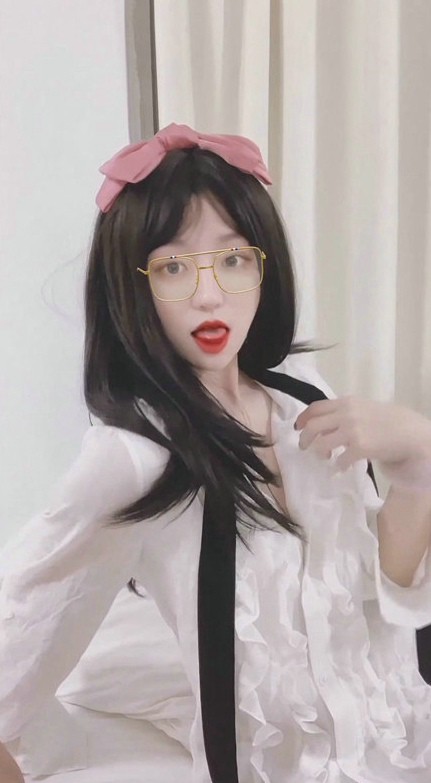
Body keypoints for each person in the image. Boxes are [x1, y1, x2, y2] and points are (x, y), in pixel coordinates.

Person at [1, 122, 431, 783]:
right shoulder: (134, 457)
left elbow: (379, 595)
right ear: (131, 287)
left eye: (233, 259)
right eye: (172, 267)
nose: (209, 294)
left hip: (398, 741)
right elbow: (24, 628)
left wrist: (417, 462)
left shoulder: (300, 393)